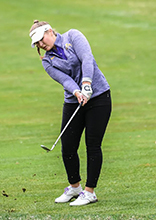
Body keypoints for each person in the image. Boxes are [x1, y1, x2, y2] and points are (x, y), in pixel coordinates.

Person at [29, 20, 112, 206]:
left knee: (92, 144)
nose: (41, 44)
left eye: (42, 39)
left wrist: (87, 83)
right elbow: (64, 80)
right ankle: (75, 187)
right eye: (38, 43)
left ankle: (90, 192)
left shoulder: (73, 36)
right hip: (74, 101)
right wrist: (77, 92)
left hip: (99, 97)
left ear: (50, 31)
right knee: (67, 146)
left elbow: (87, 59)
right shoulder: (47, 62)